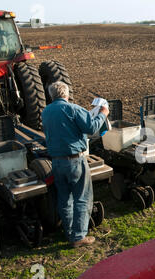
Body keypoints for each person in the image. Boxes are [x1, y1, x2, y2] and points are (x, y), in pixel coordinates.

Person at [42, 81, 109, 248]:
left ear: (51, 95)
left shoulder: (46, 112)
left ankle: (70, 232)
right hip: (75, 160)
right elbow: (92, 128)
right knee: (82, 197)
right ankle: (79, 236)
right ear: (66, 94)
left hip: (56, 161)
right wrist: (103, 114)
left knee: (65, 198)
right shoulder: (73, 109)